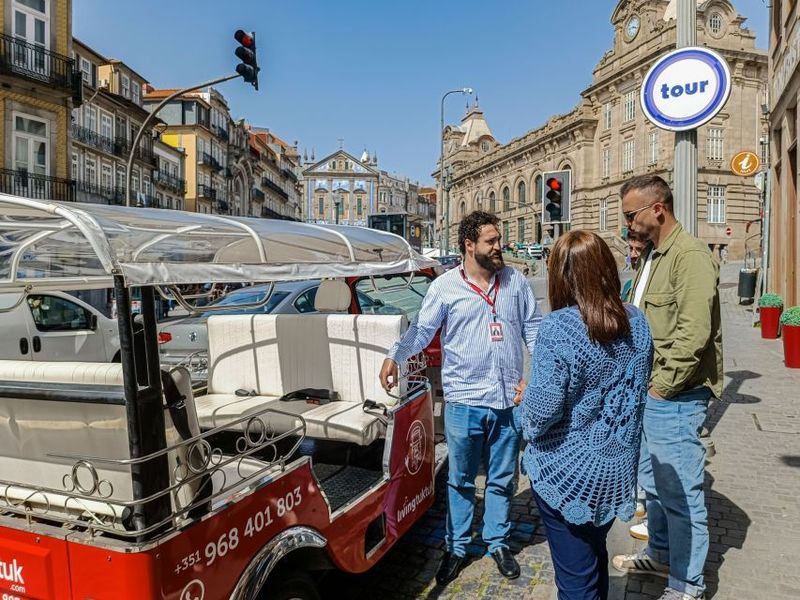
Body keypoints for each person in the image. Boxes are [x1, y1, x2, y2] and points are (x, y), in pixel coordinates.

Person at [379, 210, 542, 585]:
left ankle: (498, 541)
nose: (500, 247)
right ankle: (456, 547)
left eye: (499, 240)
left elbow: (533, 330)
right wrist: (394, 355)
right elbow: (421, 330)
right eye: (491, 241)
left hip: (507, 402)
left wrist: (533, 379)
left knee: (502, 478)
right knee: (461, 479)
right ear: (469, 245)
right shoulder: (445, 287)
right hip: (464, 401)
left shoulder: (515, 281)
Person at [521, 230, 653, 600]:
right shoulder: (638, 322)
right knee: (595, 556)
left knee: (576, 582)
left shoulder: (559, 327)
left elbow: (540, 414)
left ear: (561, 276)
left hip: (567, 473)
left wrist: (524, 406)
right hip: (615, 471)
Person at [612, 175, 723, 600]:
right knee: (655, 486)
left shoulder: (690, 256)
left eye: (631, 215)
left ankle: (687, 584)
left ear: (658, 209)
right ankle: (660, 553)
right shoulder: (652, 255)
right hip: (650, 391)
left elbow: (693, 335)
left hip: (674, 396)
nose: (627, 224)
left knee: (679, 494)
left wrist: (661, 388)